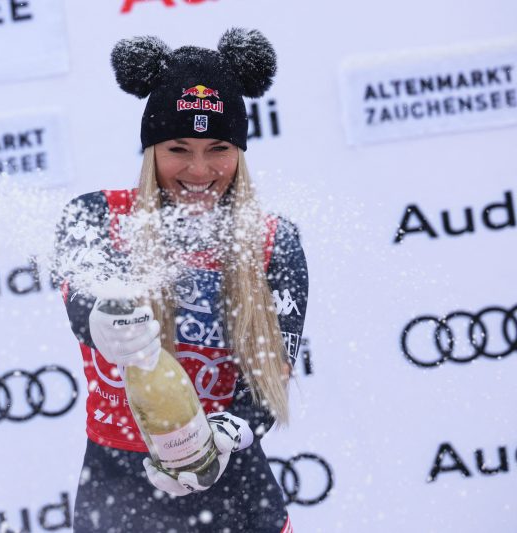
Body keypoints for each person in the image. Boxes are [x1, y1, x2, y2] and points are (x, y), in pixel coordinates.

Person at [53, 28, 308, 533]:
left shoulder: (273, 240)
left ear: (240, 152)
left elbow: (271, 377)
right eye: (178, 148)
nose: (199, 169)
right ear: (151, 150)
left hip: (236, 494)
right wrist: (101, 319)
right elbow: (81, 299)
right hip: (118, 493)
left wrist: (219, 438)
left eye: (219, 148)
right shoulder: (97, 216)